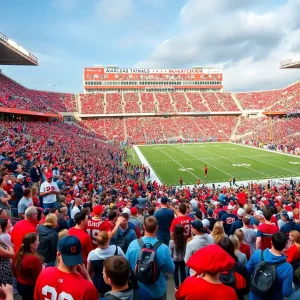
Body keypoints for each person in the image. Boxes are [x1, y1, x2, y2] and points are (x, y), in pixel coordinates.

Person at [34, 235, 99, 300]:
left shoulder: (44, 273)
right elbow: (94, 294)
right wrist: (87, 276)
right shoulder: (87, 289)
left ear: (59, 254)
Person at [126, 216, 175, 300]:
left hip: (139, 290)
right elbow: (171, 269)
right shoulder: (163, 248)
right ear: (157, 228)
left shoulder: (133, 245)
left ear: (144, 227)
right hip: (158, 290)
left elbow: (126, 265)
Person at [247, 232, 293, 300]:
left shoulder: (257, 253)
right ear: (285, 246)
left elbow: (248, 270)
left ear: (271, 242)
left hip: (254, 295)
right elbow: (286, 292)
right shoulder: (287, 268)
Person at [87, 231, 125, 295]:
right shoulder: (117, 250)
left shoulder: (92, 254)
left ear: (97, 242)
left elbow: (89, 271)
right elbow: (125, 263)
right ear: (108, 239)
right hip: (114, 282)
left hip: (98, 284)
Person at [12, 233, 43, 300]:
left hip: (20, 284)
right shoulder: (34, 259)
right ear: (31, 244)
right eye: (37, 241)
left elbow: (14, 272)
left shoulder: (17, 254)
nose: (39, 242)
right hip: (30, 288)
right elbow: (38, 278)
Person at [169, 225, 186, 291]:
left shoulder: (172, 241)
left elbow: (170, 251)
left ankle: (177, 286)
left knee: (175, 271)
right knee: (182, 271)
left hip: (175, 259)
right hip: (182, 258)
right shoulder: (184, 239)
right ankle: (183, 284)